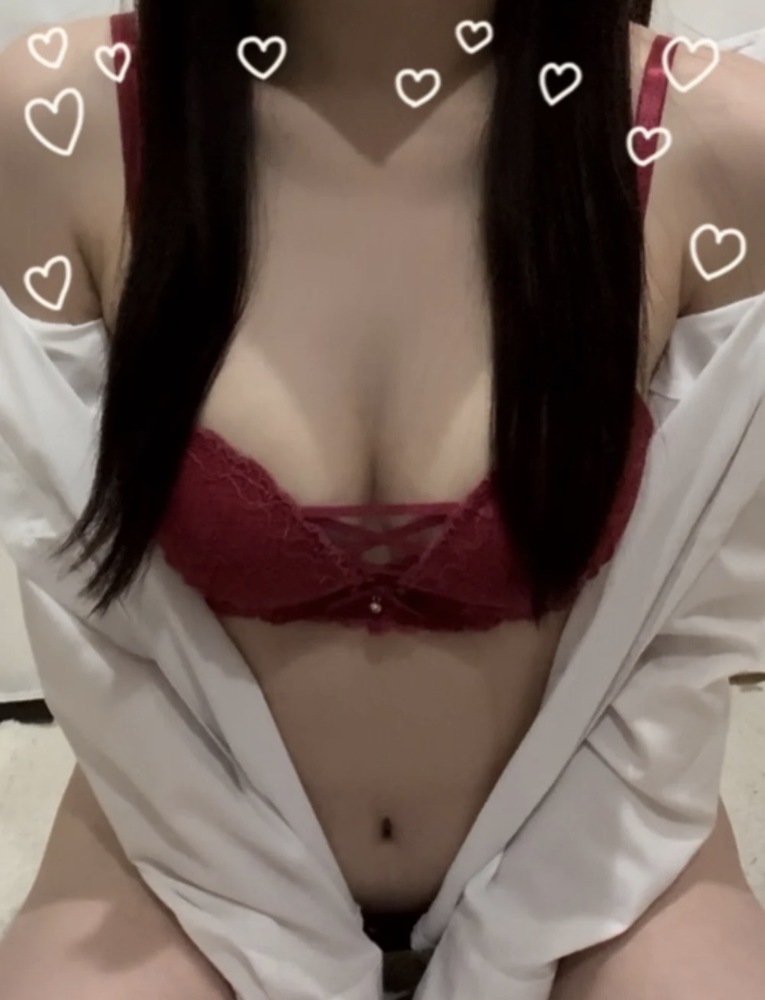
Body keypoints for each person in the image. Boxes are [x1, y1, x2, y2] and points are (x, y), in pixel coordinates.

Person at [0, 2, 764, 998]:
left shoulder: (713, 139)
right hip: (174, 830)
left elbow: (693, 623)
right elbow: (85, 617)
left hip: (603, 825)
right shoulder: (60, 123)